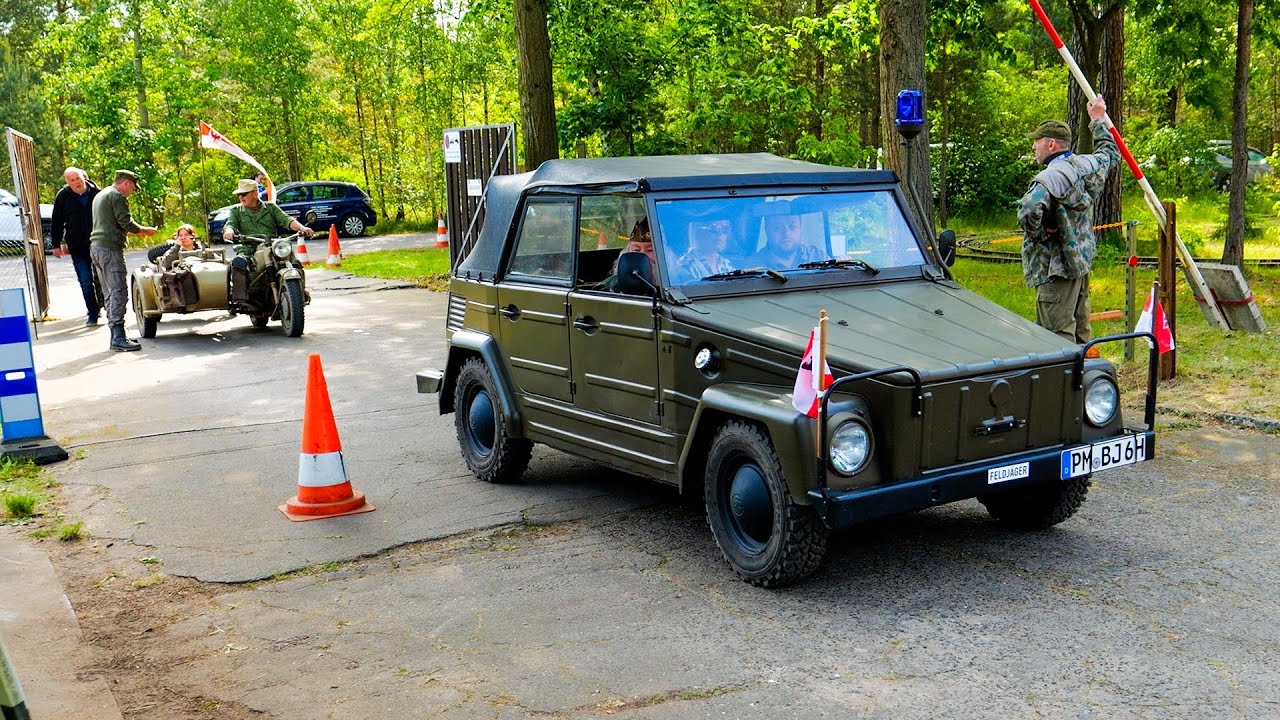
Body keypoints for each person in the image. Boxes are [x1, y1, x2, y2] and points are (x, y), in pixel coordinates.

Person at [1017, 95, 1120, 344]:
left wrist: (1040, 232)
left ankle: (1062, 383)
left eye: (1037, 142)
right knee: (1081, 333)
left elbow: (1029, 209)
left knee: (1055, 336)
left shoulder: (1050, 178)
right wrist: (1097, 120)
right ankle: (1088, 380)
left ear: (1051, 144)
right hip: (1079, 265)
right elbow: (1111, 153)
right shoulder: (1087, 165)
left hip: (1055, 269)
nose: (1033, 147)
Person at [90, 169, 157, 352]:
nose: (132, 192)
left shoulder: (101, 195)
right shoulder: (117, 196)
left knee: (109, 292)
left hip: (97, 248)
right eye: (133, 188)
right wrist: (145, 230)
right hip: (110, 249)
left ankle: (116, 334)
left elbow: (111, 223)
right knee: (119, 290)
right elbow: (126, 223)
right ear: (126, 183)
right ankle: (118, 337)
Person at [222, 179, 313, 301]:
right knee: (239, 263)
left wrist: (302, 228)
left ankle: (300, 291)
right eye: (239, 195)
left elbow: (286, 220)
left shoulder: (270, 207)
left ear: (254, 193)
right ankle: (240, 297)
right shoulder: (236, 211)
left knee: (295, 262)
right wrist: (229, 231)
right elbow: (230, 224)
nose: (241, 197)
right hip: (249, 247)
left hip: (272, 245)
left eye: (244, 194)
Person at [50, 167, 102, 325]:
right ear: (67, 182)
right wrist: (56, 244)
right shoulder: (63, 196)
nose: (76, 183)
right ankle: (93, 313)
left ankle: (103, 305)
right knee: (86, 282)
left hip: (100, 243)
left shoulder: (97, 193)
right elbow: (56, 222)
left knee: (101, 279)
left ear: (84, 177)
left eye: (78, 178)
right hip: (78, 246)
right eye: (72, 180)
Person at [599, 218, 657, 292]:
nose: (642, 256)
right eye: (636, 250)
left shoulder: (673, 292)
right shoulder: (609, 290)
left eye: (650, 250)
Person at [749, 212, 824, 269]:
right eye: (778, 228)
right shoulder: (752, 265)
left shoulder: (819, 256)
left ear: (800, 229)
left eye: (792, 227)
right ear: (767, 231)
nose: (786, 233)